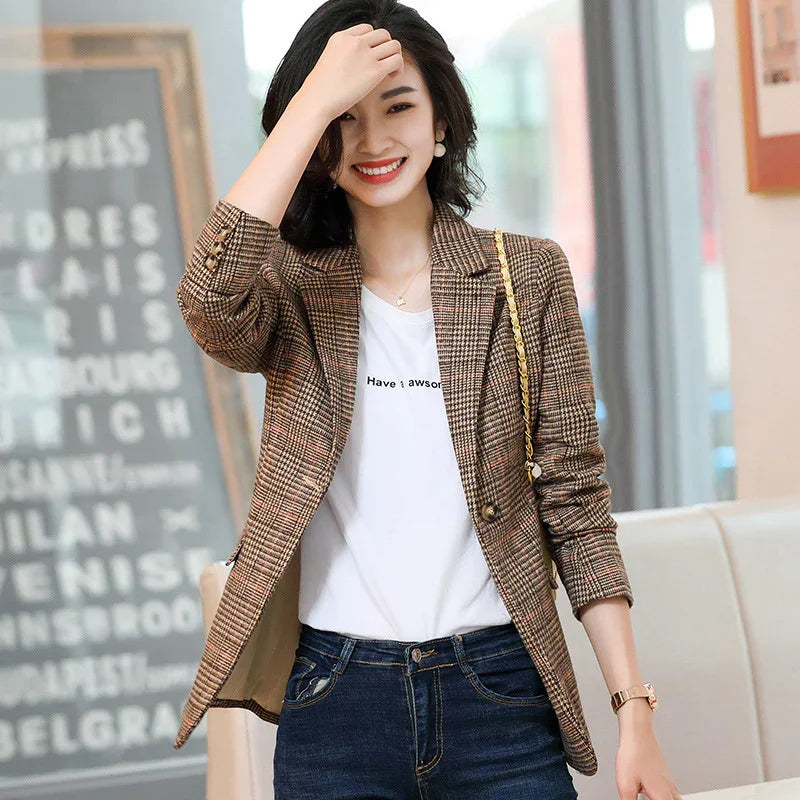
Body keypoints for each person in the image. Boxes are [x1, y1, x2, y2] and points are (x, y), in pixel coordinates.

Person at [174, 1, 683, 798]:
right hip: (333, 696)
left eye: (399, 107)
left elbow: (577, 505)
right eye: (343, 120)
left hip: (499, 692)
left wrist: (635, 711)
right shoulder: (289, 286)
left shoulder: (528, 277)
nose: (372, 143)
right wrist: (310, 103)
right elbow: (209, 299)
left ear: (443, 119)